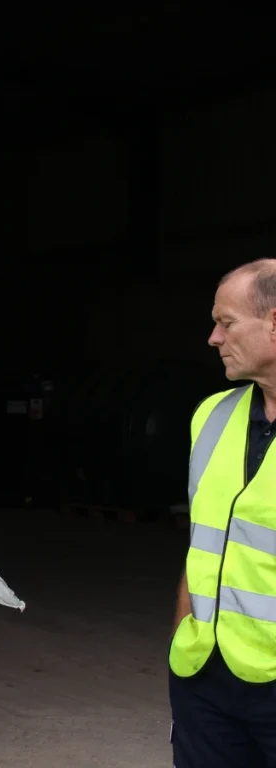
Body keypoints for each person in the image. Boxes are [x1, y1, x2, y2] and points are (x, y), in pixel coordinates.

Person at [169, 258, 276, 767]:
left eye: (227, 322)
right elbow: (203, 544)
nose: (214, 337)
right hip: (203, 677)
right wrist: (181, 636)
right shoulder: (212, 415)